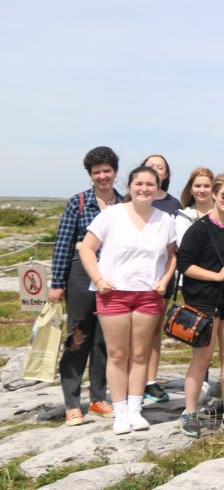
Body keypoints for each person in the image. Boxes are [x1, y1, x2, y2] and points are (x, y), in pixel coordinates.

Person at [77, 165, 177, 434]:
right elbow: (86, 247)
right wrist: (98, 280)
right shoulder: (112, 215)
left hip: (148, 295)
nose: (144, 188)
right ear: (130, 185)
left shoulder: (164, 219)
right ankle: (120, 411)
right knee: (118, 354)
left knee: (141, 353)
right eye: (139, 183)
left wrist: (165, 280)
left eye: (150, 184)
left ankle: (135, 410)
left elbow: (172, 254)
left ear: (158, 187)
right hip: (114, 293)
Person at [50, 146, 122, 426]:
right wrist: (57, 282)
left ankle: (98, 397)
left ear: (115, 172)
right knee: (78, 335)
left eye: (106, 171)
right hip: (81, 274)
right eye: (97, 172)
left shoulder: (125, 203)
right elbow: (63, 244)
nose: (102, 176)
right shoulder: (78, 202)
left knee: (106, 337)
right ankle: (71, 402)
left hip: (114, 276)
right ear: (90, 175)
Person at [177, 172, 224, 438]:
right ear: (215, 194)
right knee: (203, 358)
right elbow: (184, 265)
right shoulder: (198, 229)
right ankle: (189, 413)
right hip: (204, 303)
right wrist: (216, 276)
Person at [140, 153, 181, 405]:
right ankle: (129, 379)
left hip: (161, 277)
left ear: (166, 175)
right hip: (132, 277)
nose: (156, 170)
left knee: (154, 328)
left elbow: (173, 247)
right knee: (130, 331)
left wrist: (166, 278)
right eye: (151, 166)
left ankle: (150, 381)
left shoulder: (173, 204)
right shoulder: (129, 201)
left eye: (161, 167)